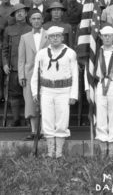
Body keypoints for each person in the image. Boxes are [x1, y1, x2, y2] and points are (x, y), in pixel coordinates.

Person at [31, 26, 78, 158]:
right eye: (52, 36)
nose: (55, 38)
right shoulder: (41, 53)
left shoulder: (70, 53)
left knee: (62, 121)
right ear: (48, 38)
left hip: (64, 91)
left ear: (62, 37)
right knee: (47, 120)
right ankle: (50, 152)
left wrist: (73, 95)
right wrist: (35, 92)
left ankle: (59, 153)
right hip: (46, 91)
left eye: (58, 35)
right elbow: (35, 75)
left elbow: (75, 75)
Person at [85, 26, 113, 143]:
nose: (107, 38)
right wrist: (88, 90)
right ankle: (102, 141)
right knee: (100, 114)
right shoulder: (95, 54)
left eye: (110, 36)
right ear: (100, 37)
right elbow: (88, 73)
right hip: (99, 85)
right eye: (105, 36)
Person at [18, 9, 48, 140]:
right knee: (30, 102)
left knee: (45, 101)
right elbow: (21, 59)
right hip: (30, 74)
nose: (36, 21)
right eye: (33, 19)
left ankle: (44, 130)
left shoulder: (49, 35)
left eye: (38, 18)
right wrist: (21, 76)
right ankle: (34, 130)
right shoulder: (24, 37)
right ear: (30, 21)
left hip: (46, 73)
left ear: (42, 20)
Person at [2, 4, 32, 126]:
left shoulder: (31, 29)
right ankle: (16, 119)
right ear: (14, 15)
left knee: (29, 94)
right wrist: (4, 64)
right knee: (14, 95)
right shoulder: (9, 30)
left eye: (22, 11)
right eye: (17, 12)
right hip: (13, 68)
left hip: (28, 67)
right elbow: (4, 49)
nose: (19, 14)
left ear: (26, 13)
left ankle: (29, 119)